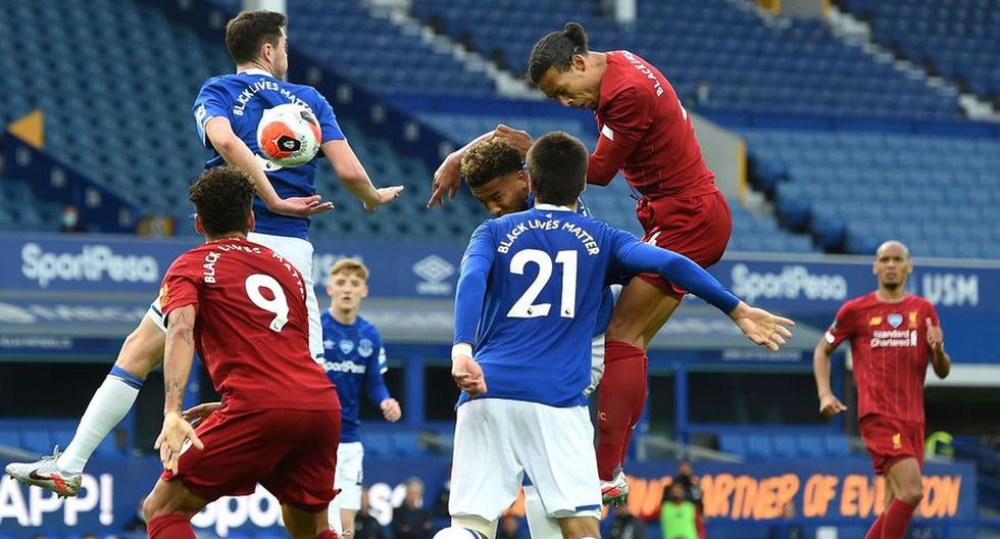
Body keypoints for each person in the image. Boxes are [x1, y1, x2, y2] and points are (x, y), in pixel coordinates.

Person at [5, 9, 401, 497]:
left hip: (229, 248)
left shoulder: (218, 90)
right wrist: (371, 197)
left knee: (139, 349)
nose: (287, 54)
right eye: (285, 46)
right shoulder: (309, 99)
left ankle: (72, 461)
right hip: (289, 258)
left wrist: (264, 195)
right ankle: (328, 506)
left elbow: (222, 138)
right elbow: (347, 172)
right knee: (309, 378)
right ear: (270, 49)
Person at [428, 21, 731, 504]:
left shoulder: (626, 92)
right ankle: (603, 472)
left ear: (577, 63)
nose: (567, 104)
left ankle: (607, 471)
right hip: (675, 213)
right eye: (556, 100)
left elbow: (601, 172)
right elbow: (523, 146)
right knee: (630, 340)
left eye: (563, 92)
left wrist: (736, 310)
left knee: (624, 337)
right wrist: (460, 155)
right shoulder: (616, 67)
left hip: (687, 217)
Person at [445, 132, 792, 539]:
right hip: (556, 397)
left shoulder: (491, 232)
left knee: (468, 527)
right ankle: (607, 473)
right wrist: (735, 307)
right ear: (583, 184)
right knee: (579, 524)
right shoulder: (602, 239)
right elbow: (671, 263)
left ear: (530, 182)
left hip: (484, 388)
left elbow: (470, 280)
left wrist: (462, 348)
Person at [140, 166, 342, 539]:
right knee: (310, 529)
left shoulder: (190, 266)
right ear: (251, 218)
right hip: (319, 405)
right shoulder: (287, 269)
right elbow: (289, 349)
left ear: (199, 224)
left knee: (162, 508)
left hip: (260, 406)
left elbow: (180, 329)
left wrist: (172, 412)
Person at [813, 240, 951, 539]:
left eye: (897, 259)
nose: (890, 265)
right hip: (879, 414)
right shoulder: (856, 310)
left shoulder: (924, 310)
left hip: (914, 418)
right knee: (912, 491)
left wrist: (938, 350)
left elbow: (942, 370)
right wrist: (825, 393)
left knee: (893, 502)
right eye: (884, 259)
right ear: (875, 266)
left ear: (908, 266)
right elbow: (821, 350)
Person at [322, 258, 402, 535]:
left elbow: (375, 383)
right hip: (316, 438)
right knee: (322, 525)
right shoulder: (316, 329)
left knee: (346, 529)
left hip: (349, 442)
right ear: (330, 288)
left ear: (363, 291)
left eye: (354, 284)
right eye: (341, 283)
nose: (347, 289)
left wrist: (386, 400)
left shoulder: (370, 334)